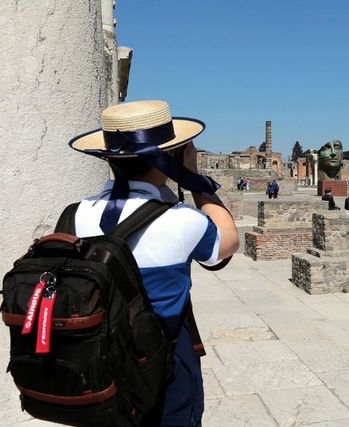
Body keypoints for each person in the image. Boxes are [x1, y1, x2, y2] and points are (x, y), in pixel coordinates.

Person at [68, 100, 240, 425]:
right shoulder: (181, 221)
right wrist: (193, 180)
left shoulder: (73, 215)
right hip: (163, 374)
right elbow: (228, 241)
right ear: (169, 156)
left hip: (96, 374)